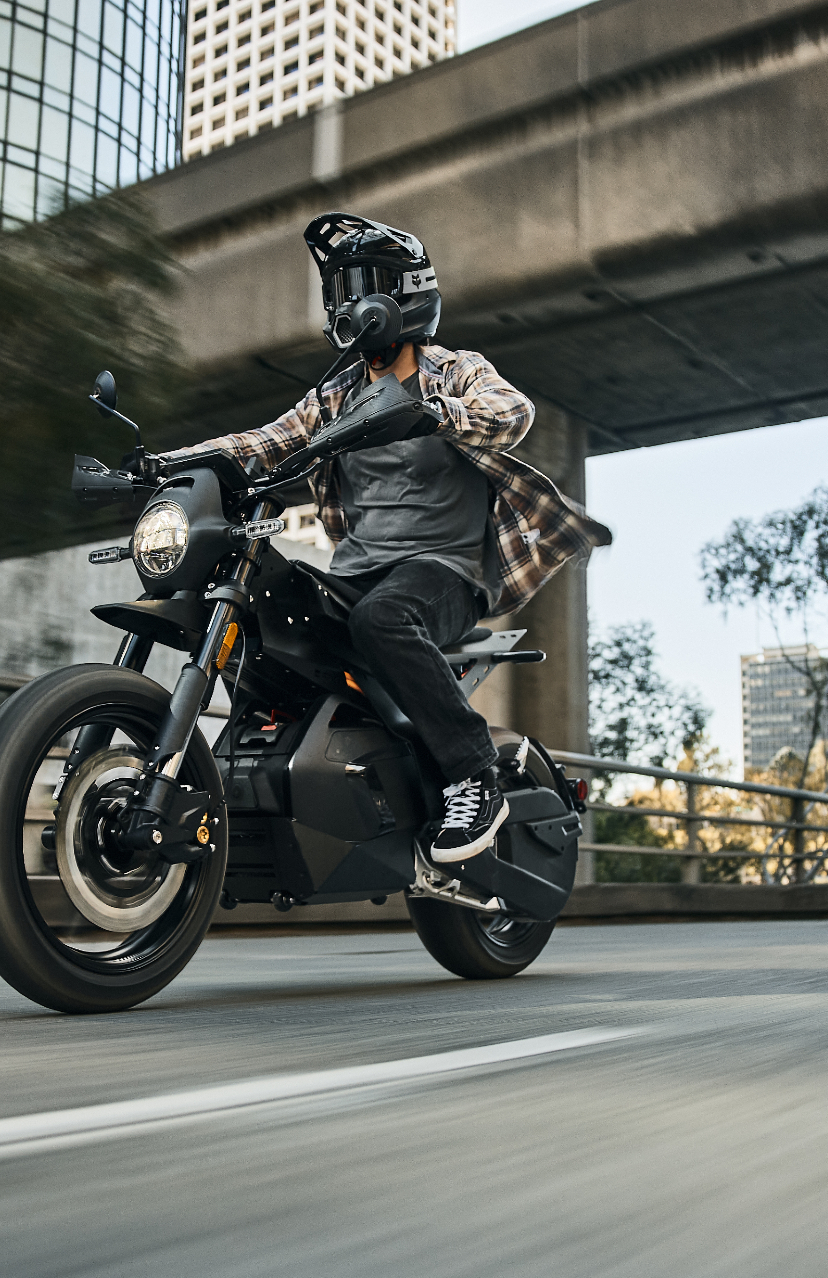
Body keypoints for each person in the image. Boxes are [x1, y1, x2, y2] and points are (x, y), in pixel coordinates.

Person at [157, 213, 609, 862]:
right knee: (255, 602)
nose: (346, 303)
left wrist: (434, 411)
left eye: (362, 285)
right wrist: (163, 464)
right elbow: (261, 443)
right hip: (356, 570)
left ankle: (474, 775)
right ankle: (261, 767)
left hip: (444, 573)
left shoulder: (454, 370)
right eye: (338, 290)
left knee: (383, 616)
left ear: (406, 294)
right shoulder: (334, 396)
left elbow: (513, 413)